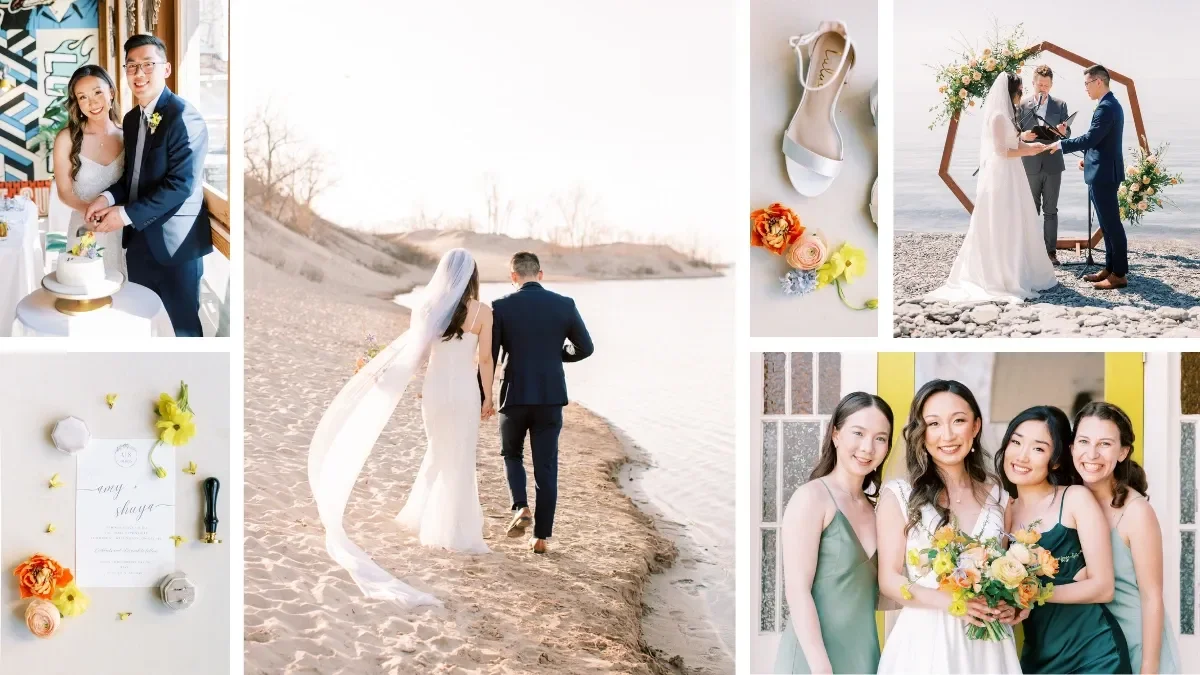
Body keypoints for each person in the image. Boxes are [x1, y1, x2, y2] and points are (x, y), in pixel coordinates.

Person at [774, 392, 893, 673]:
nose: (867, 447)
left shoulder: (879, 511)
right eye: (858, 433)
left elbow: (877, 594)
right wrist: (821, 668)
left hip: (863, 656)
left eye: (880, 438)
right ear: (836, 434)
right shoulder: (812, 497)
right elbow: (797, 590)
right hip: (814, 660)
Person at [925, 72, 1057, 304]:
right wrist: (1028, 151)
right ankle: (999, 273)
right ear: (1011, 92)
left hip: (1013, 171)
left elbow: (1013, 142)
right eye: (1019, 91)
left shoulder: (1009, 114)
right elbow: (1001, 151)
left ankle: (1019, 266)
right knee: (1000, 218)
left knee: (1017, 217)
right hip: (1001, 174)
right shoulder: (997, 117)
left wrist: (1031, 146)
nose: (1021, 95)